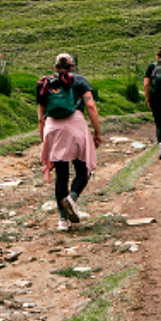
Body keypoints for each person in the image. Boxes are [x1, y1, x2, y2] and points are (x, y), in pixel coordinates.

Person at [36, 51, 101, 231]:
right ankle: (71, 198)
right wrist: (97, 132)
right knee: (83, 170)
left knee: (61, 176)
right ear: (72, 67)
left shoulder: (44, 83)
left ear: (55, 67)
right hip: (75, 127)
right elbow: (90, 106)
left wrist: (45, 143)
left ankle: (63, 221)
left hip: (53, 129)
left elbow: (41, 117)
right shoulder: (79, 81)